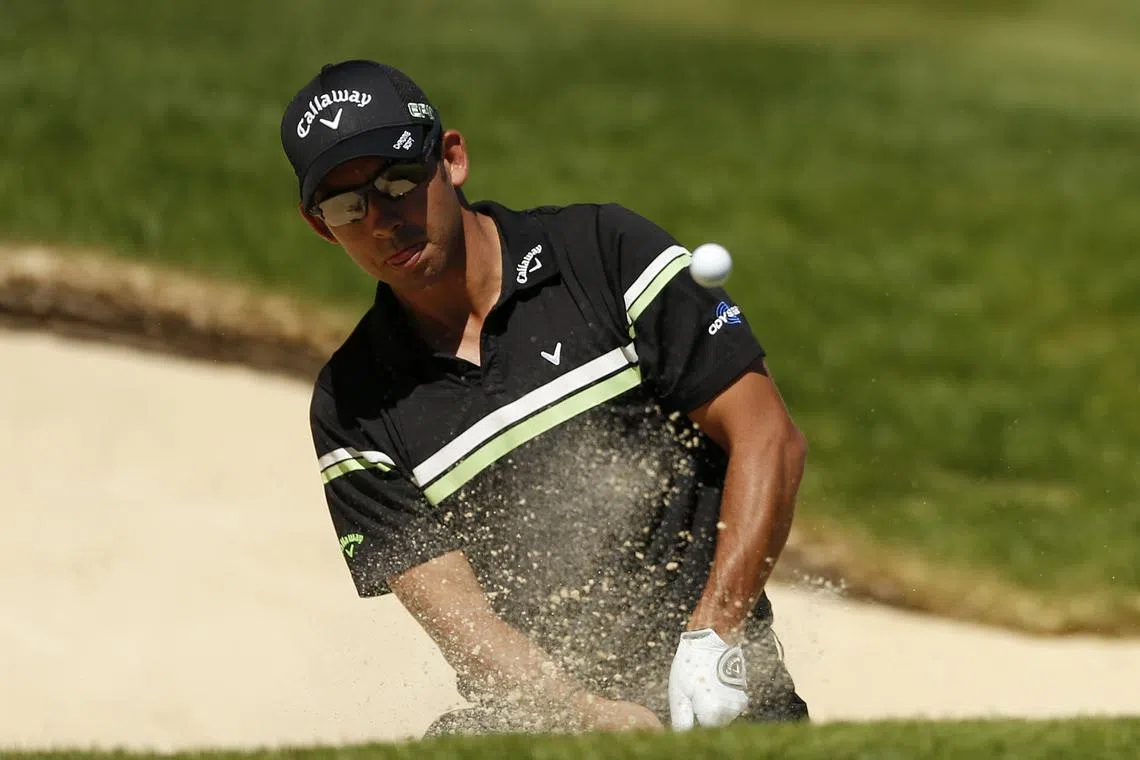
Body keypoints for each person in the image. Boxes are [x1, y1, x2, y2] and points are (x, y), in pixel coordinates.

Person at [279, 59, 810, 736]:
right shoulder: (352, 404)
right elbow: (461, 620)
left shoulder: (603, 254)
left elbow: (770, 438)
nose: (382, 219)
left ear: (452, 158)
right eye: (348, 206)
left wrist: (715, 635)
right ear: (322, 227)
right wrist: (588, 718)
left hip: (723, 695)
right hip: (557, 725)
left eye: (399, 181)